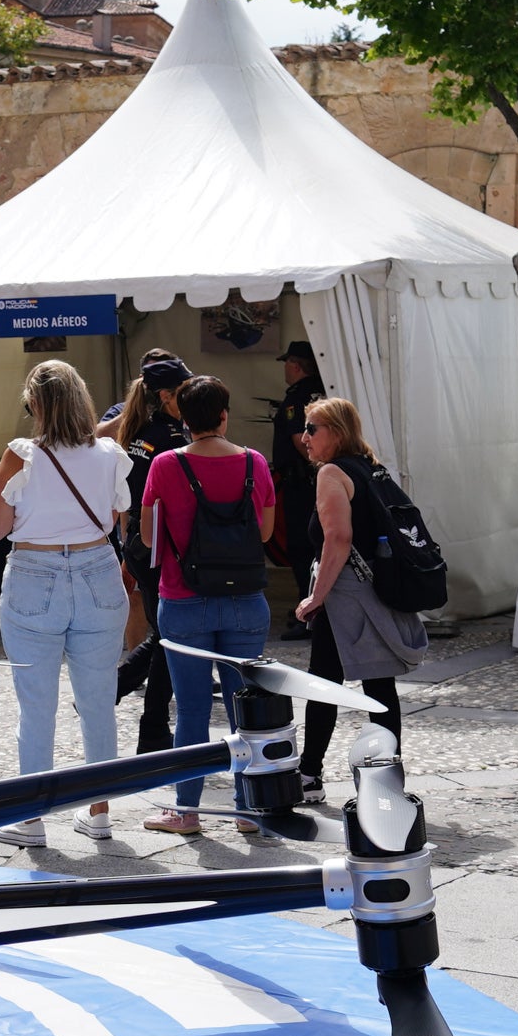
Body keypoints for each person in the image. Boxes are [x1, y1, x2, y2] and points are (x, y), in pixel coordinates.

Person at [0, 360, 134, 848]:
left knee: (36, 704)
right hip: (96, 572)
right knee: (98, 704)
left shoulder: (20, 454)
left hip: (35, 574)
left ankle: (31, 818)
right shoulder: (110, 453)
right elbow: (114, 517)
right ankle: (100, 811)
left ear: (35, 404)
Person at [142, 375, 277, 839]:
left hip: (183, 600)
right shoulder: (255, 464)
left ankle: (187, 810)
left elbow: (148, 537)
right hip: (244, 600)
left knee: (192, 711)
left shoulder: (165, 465)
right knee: (246, 710)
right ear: (224, 414)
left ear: (182, 417)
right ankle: (247, 811)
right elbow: (262, 533)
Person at [292, 396, 426, 804]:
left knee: (324, 683)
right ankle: (386, 776)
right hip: (375, 589)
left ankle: (310, 774)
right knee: (378, 685)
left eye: (313, 428)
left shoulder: (332, 472)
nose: (305, 437)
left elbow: (339, 538)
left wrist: (317, 595)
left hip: (346, 594)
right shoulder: (372, 468)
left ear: (336, 432)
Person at [103, 353, 193, 754]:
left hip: (138, 539)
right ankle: (153, 729)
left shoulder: (136, 428)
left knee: (166, 634)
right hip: (158, 543)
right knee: (171, 636)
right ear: (166, 395)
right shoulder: (170, 437)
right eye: (183, 391)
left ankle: (118, 691)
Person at [271, 342, 327, 638]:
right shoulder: (327, 386)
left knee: (301, 545)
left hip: (301, 482)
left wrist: (319, 468)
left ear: (294, 365)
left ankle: (310, 611)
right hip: (316, 481)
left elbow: (298, 438)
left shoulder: (297, 397)